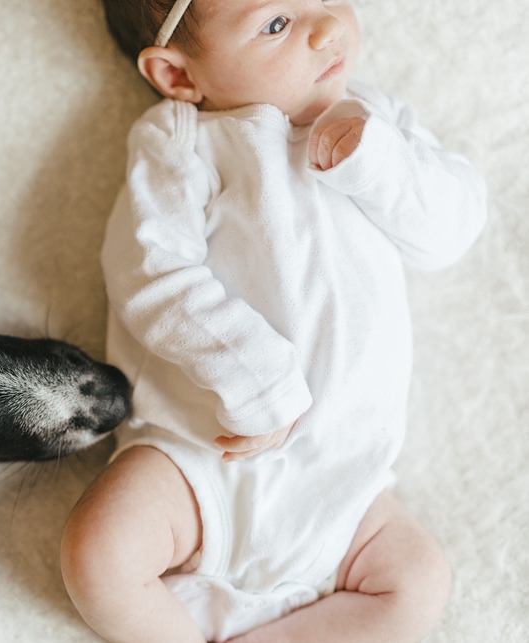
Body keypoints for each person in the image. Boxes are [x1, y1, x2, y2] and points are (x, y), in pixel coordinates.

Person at [60, 0, 487, 641]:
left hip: (342, 485)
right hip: (202, 459)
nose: (327, 27)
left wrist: (382, 164)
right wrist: (256, 378)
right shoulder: (182, 143)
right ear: (179, 77)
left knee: (420, 581)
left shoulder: (376, 122)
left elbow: (450, 232)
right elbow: (149, 274)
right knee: (99, 552)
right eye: (277, 23)